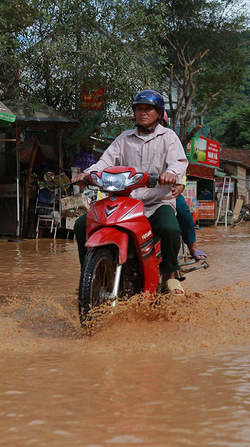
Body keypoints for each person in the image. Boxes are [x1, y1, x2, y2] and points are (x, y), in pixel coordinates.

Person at [72, 90, 188, 294]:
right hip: (126, 202)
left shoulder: (168, 137)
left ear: (159, 113)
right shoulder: (124, 138)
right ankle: (89, 278)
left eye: (148, 109)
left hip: (156, 202)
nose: (143, 113)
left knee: (171, 229)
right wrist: (87, 174)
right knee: (82, 224)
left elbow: (178, 162)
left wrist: (171, 173)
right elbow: (105, 161)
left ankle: (170, 274)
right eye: (139, 109)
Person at [160, 112, 207, 261]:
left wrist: (180, 186)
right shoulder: (129, 139)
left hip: (166, 192)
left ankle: (192, 247)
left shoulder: (171, 141)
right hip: (137, 192)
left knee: (184, 213)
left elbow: (181, 167)